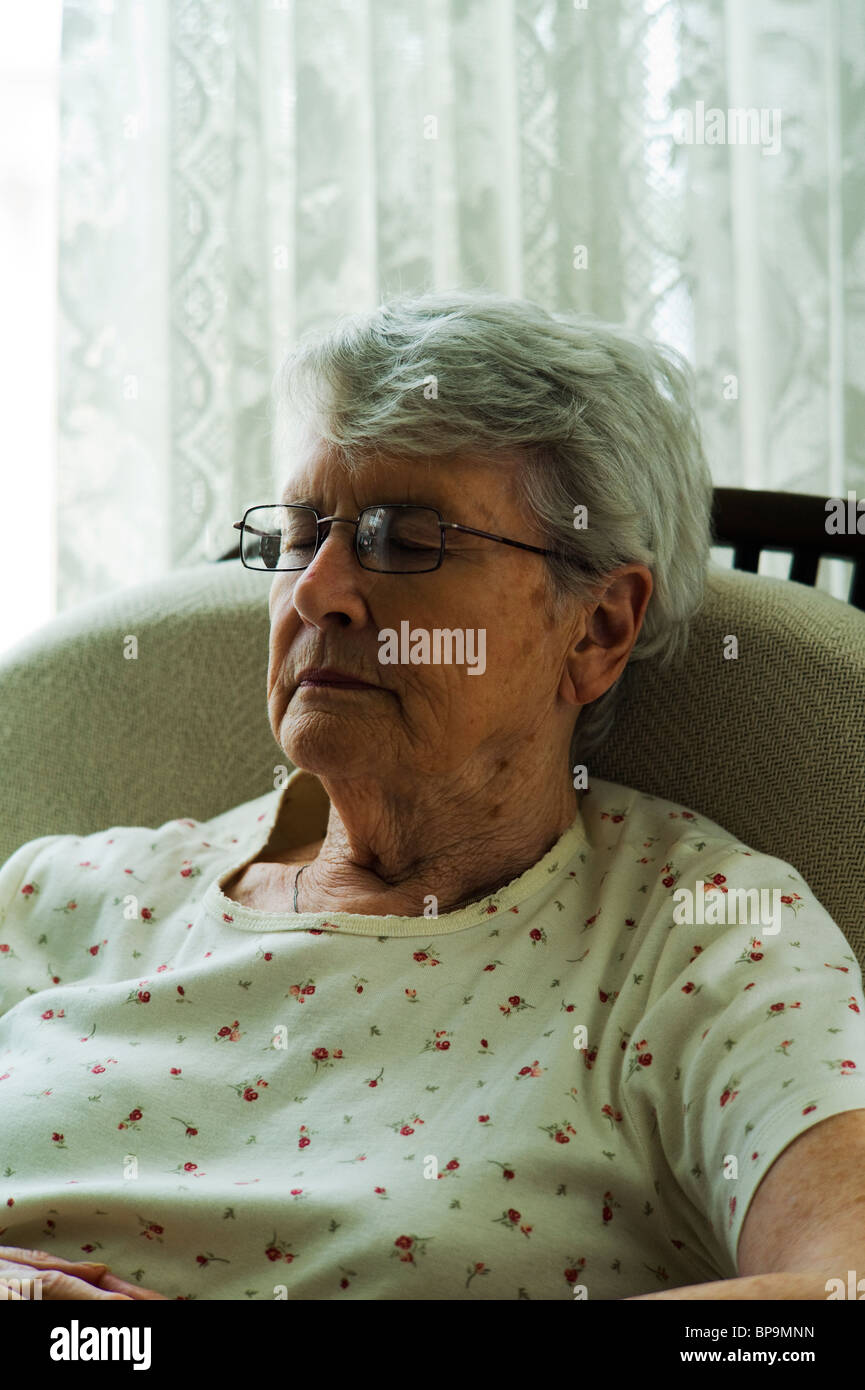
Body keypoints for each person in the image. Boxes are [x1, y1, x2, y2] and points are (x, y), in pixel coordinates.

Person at [1, 290, 863, 1303]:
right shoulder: (72, 896)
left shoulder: (698, 938)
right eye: (301, 532)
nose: (318, 590)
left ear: (594, 630)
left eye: (404, 540)